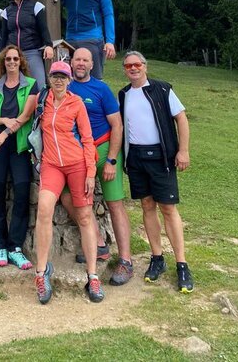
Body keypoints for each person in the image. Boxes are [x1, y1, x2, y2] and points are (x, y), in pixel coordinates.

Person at [118, 50, 194, 293]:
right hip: (136, 157)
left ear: (145, 66)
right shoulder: (124, 94)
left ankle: (182, 264)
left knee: (168, 208)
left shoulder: (162, 89)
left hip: (162, 157)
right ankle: (157, 257)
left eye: (137, 64)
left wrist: (183, 151)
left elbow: (181, 118)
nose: (133, 68)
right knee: (147, 205)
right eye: (128, 65)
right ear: (125, 70)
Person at [60, 48, 133, 286]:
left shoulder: (101, 89)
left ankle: (126, 260)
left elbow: (117, 125)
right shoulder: (64, 87)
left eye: (85, 60)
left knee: (114, 203)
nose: (80, 63)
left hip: (102, 149)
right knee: (68, 197)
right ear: (71, 63)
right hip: (78, 153)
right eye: (77, 59)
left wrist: (111, 160)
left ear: (92, 64)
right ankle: (99, 244)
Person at [34, 61, 104, 305]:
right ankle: (41, 272)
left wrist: (91, 172)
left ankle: (92, 275)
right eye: (55, 76)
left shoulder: (77, 103)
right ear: (49, 78)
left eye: (63, 76)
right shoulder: (42, 101)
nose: (59, 80)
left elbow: (87, 139)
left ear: (69, 80)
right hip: (51, 164)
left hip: (77, 165)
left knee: (84, 216)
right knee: (44, 209)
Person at [0, 45, 38, 269]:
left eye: (15, 59)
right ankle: (1, 246)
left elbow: (25, 117)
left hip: (19, 145)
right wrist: (3, 120)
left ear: (21, 61)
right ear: (3, 62)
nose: (12, 62)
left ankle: (15, 247)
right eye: (8, 59)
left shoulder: (31, 85)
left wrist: (5, 132)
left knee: (22, 192)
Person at [1, 0, 54, 89]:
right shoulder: (6, 11)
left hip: (32, 52)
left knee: (39, 85)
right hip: (13, 55)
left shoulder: (36, 6)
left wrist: (49, 45)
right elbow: (4, 36)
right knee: (14, 86)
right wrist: (1, 56)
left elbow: (43, 29)